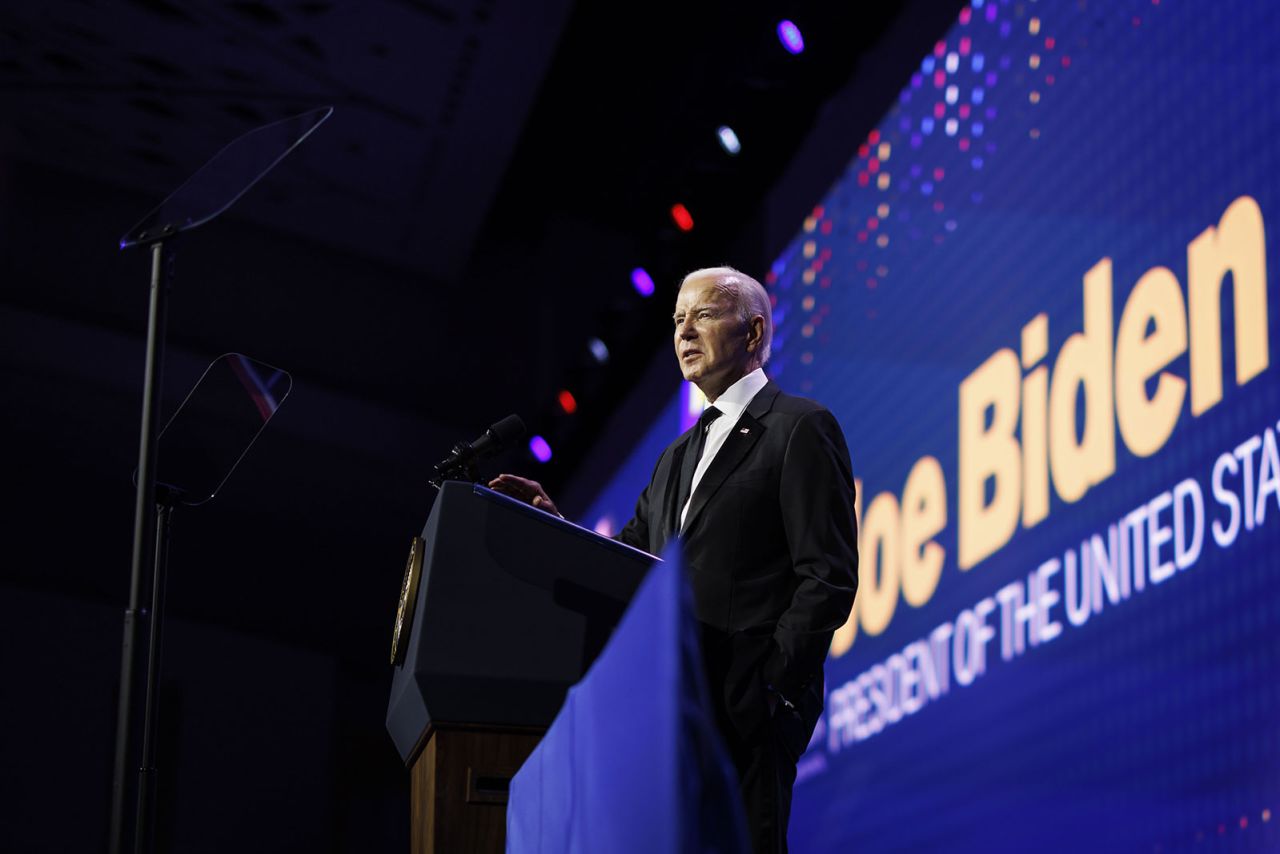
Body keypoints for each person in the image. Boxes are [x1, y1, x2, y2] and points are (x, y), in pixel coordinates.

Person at [490, 266, 858, 853]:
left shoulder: (798, 427)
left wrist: (770, 686)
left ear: (755, 331)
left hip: (746, 711)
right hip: (670, 709)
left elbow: (828, 575)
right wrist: (554, 525)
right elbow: (626, 564)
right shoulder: (674, 458)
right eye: (677, 321)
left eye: (704, 315)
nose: (684, 332)